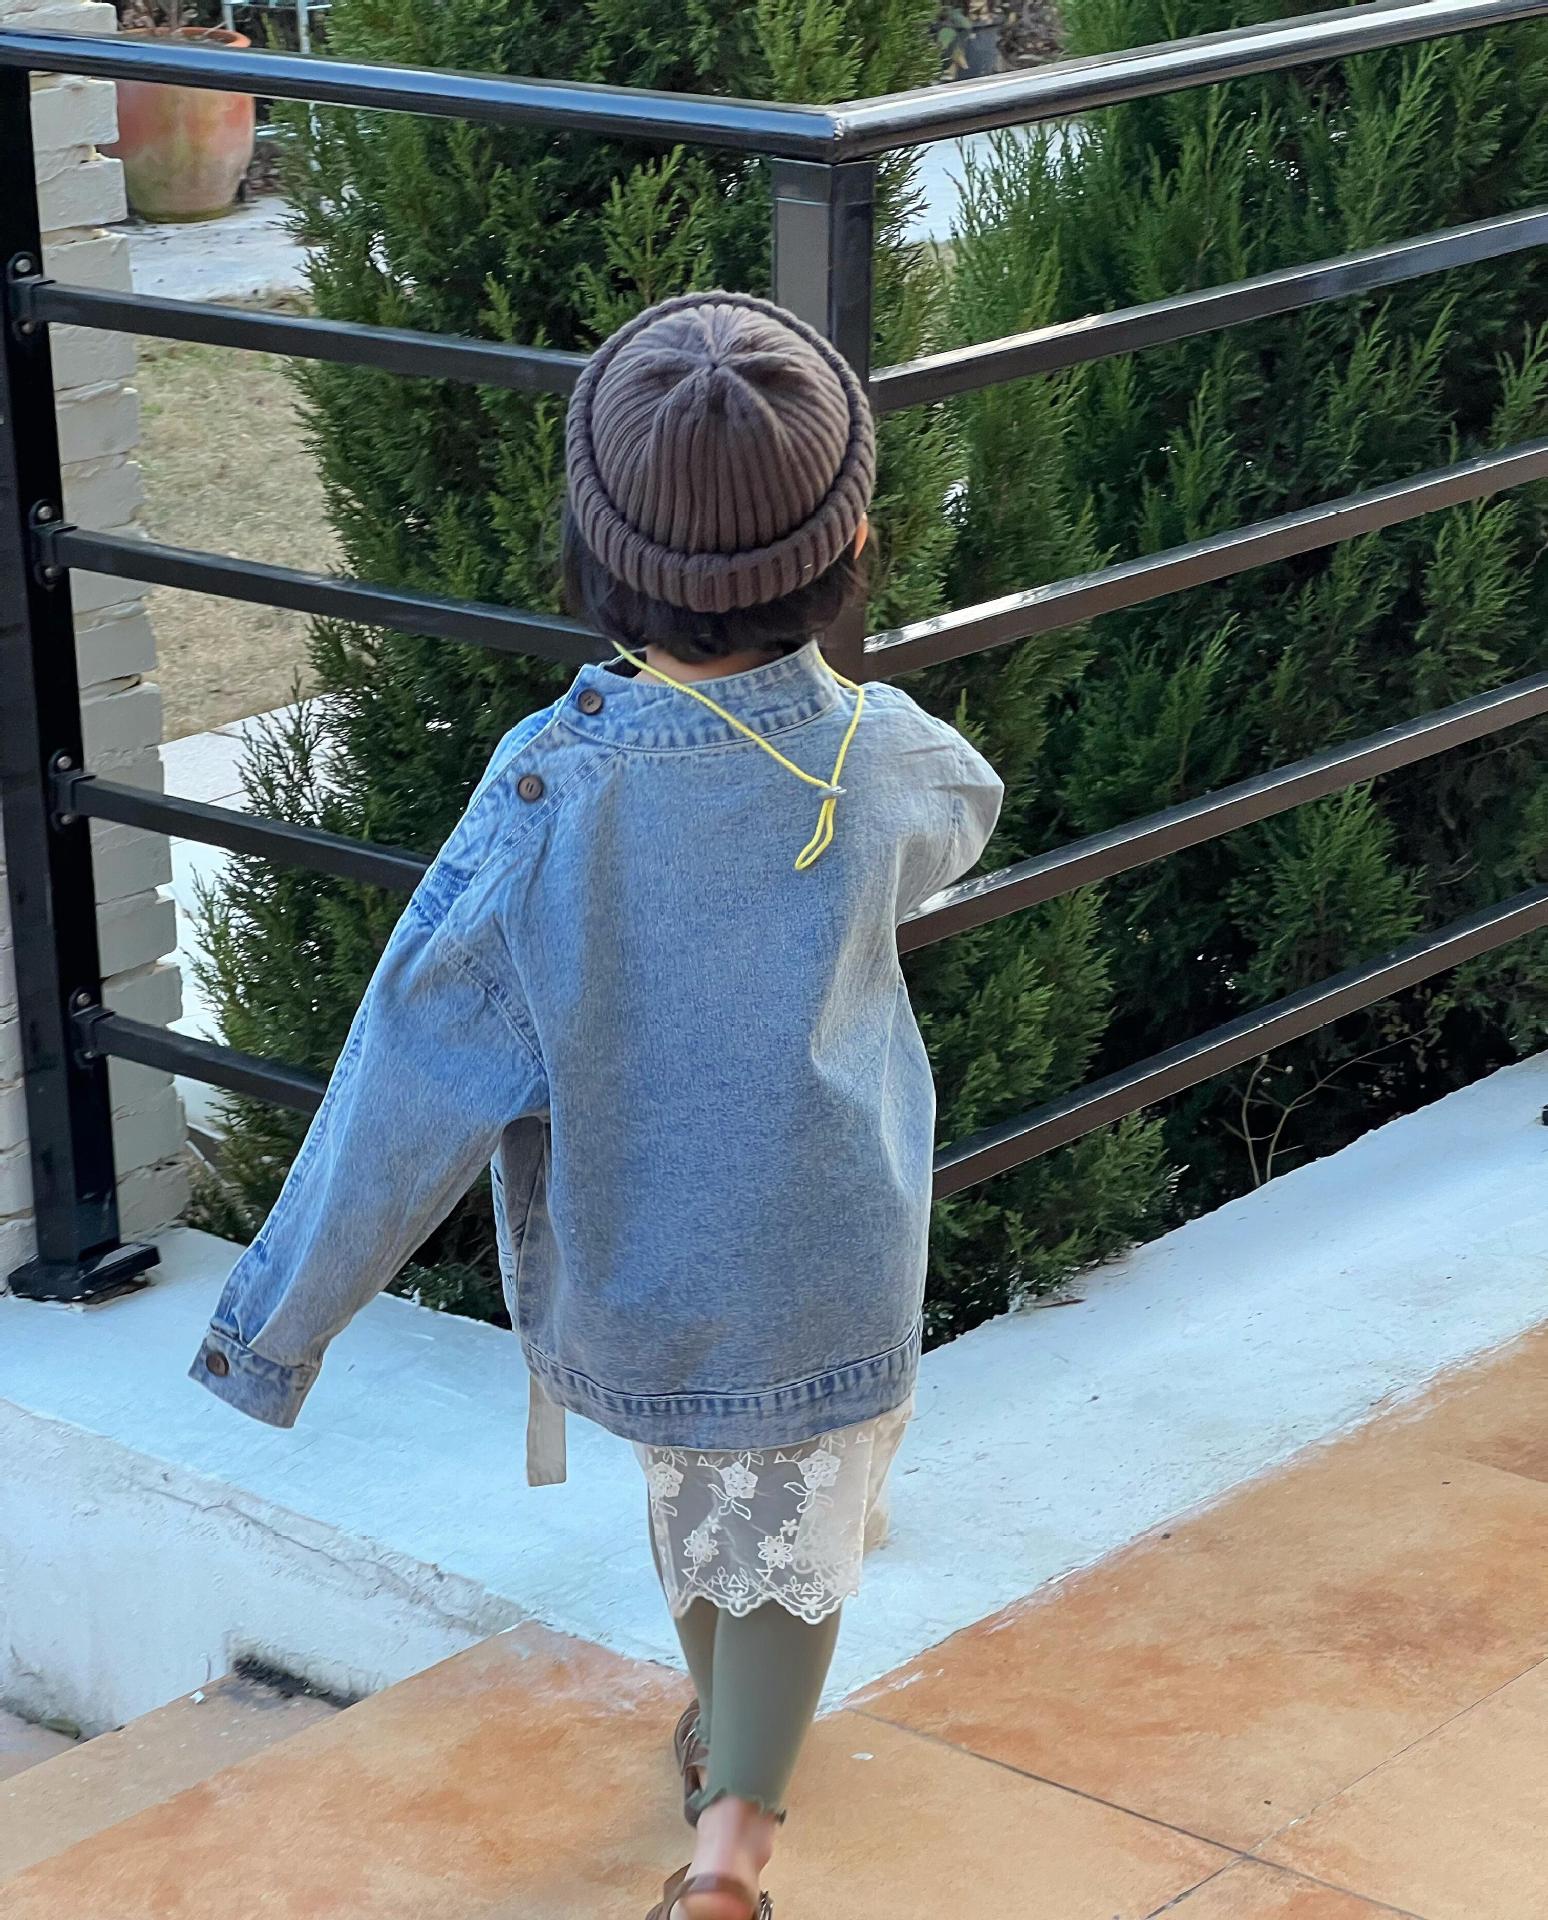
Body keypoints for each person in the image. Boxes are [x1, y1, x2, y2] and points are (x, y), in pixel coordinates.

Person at [189, 290, 1003, 1920]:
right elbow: (965, 812)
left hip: (645, 1266)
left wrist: (276, 1329)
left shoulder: (553, 791)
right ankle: (735, 1838)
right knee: (801, 1533)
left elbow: (410, 1068)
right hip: (841, 1252)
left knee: (697, 1507)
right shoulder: (886, 754)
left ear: (594, 558)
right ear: (848, 551)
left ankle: (723, 1794)